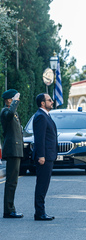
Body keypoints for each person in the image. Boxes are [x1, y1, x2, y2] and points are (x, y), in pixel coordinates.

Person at [33, 93, 58, 221]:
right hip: (45, 157)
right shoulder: (40, 117)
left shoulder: (45, 115)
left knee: (44, 185)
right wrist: (41, 155)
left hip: (49, 155)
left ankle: (40, 211)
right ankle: (39, 213)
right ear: (43, 103)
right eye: (49, 100)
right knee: (42, 185)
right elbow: (40, 138)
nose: (52, 102)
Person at [0, 89, 24, 218]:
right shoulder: (5, 111)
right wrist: (15, 103)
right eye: (15, 99)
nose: (18, 101)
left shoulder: (12, 112)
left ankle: (10, 208)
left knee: (13, 181)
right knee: (11, 181)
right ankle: (9, 210)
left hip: (16, 150)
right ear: (9, 100)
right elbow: (9, 115)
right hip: (12, 150)